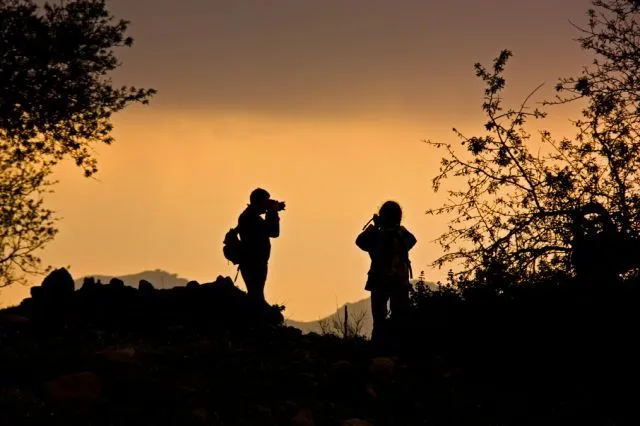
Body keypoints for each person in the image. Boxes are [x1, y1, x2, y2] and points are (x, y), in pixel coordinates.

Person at [356, 200, 416, 343]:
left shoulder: (378, 235)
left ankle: (380, 348)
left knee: (380, 320)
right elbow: (411, 242)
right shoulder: (401, 234)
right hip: (397, 281)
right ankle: (394, 348)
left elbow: (360, 242)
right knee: (397, 318)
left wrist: (376, 227)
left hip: (381, 281)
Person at [236, 188, 284, 304]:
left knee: (256, 295)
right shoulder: (251, 218)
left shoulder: (249, 216)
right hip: (254, 263)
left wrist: (272, 212)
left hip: (255, 262)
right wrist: (273, 212)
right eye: (265, 201)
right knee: (256, 296)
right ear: (259, 202)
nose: (267, 204)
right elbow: (273, 232)